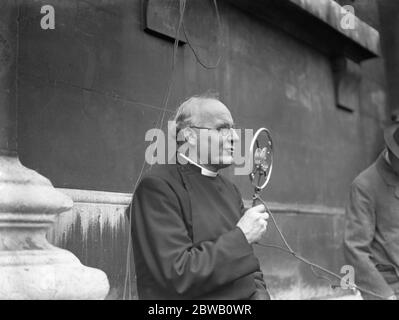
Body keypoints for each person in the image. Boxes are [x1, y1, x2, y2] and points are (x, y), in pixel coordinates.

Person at [129, 93, 270, 299]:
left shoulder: (231, 190)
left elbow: (251, 270)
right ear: (190, 136)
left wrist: (262, 295)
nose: (235, 137)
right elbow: (176, 275)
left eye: (233, 128)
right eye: (223, 128)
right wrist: (242, 236)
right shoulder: (158, 187)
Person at [344, 118, 399, 300]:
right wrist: (385, 295)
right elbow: (355, 249)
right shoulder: (364, 185)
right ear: (392, 152)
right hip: (390, 288)